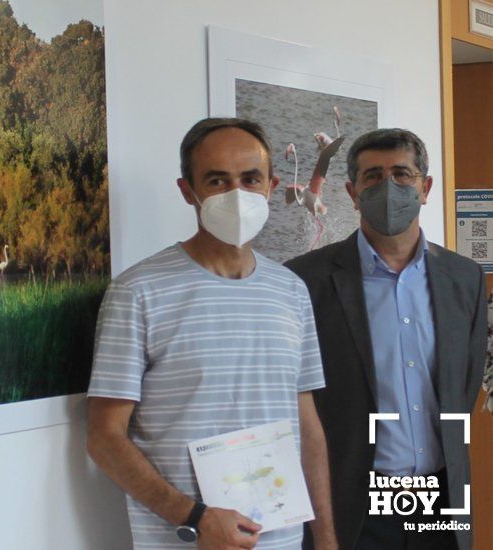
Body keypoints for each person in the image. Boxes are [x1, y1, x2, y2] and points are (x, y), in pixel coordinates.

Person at [87, 117, 338, 549]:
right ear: (188, 191)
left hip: (280, 540)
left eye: (250, 179)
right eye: (217, 180)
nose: (236, 194)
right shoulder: (138, 293)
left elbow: (307, 426)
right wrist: (195, 517)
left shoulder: (291, 291)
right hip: (183, 540)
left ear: (271, 186)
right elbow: (104, 436)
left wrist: (327, 539)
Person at [285, 128, 486, 550]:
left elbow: (463, 389)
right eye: (372, 177)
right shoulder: (306, 280)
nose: (388, 187)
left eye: (402, 174)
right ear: (352, 192)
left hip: (441, 500)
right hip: (353, 504)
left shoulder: (464, 278)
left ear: (425, 187)